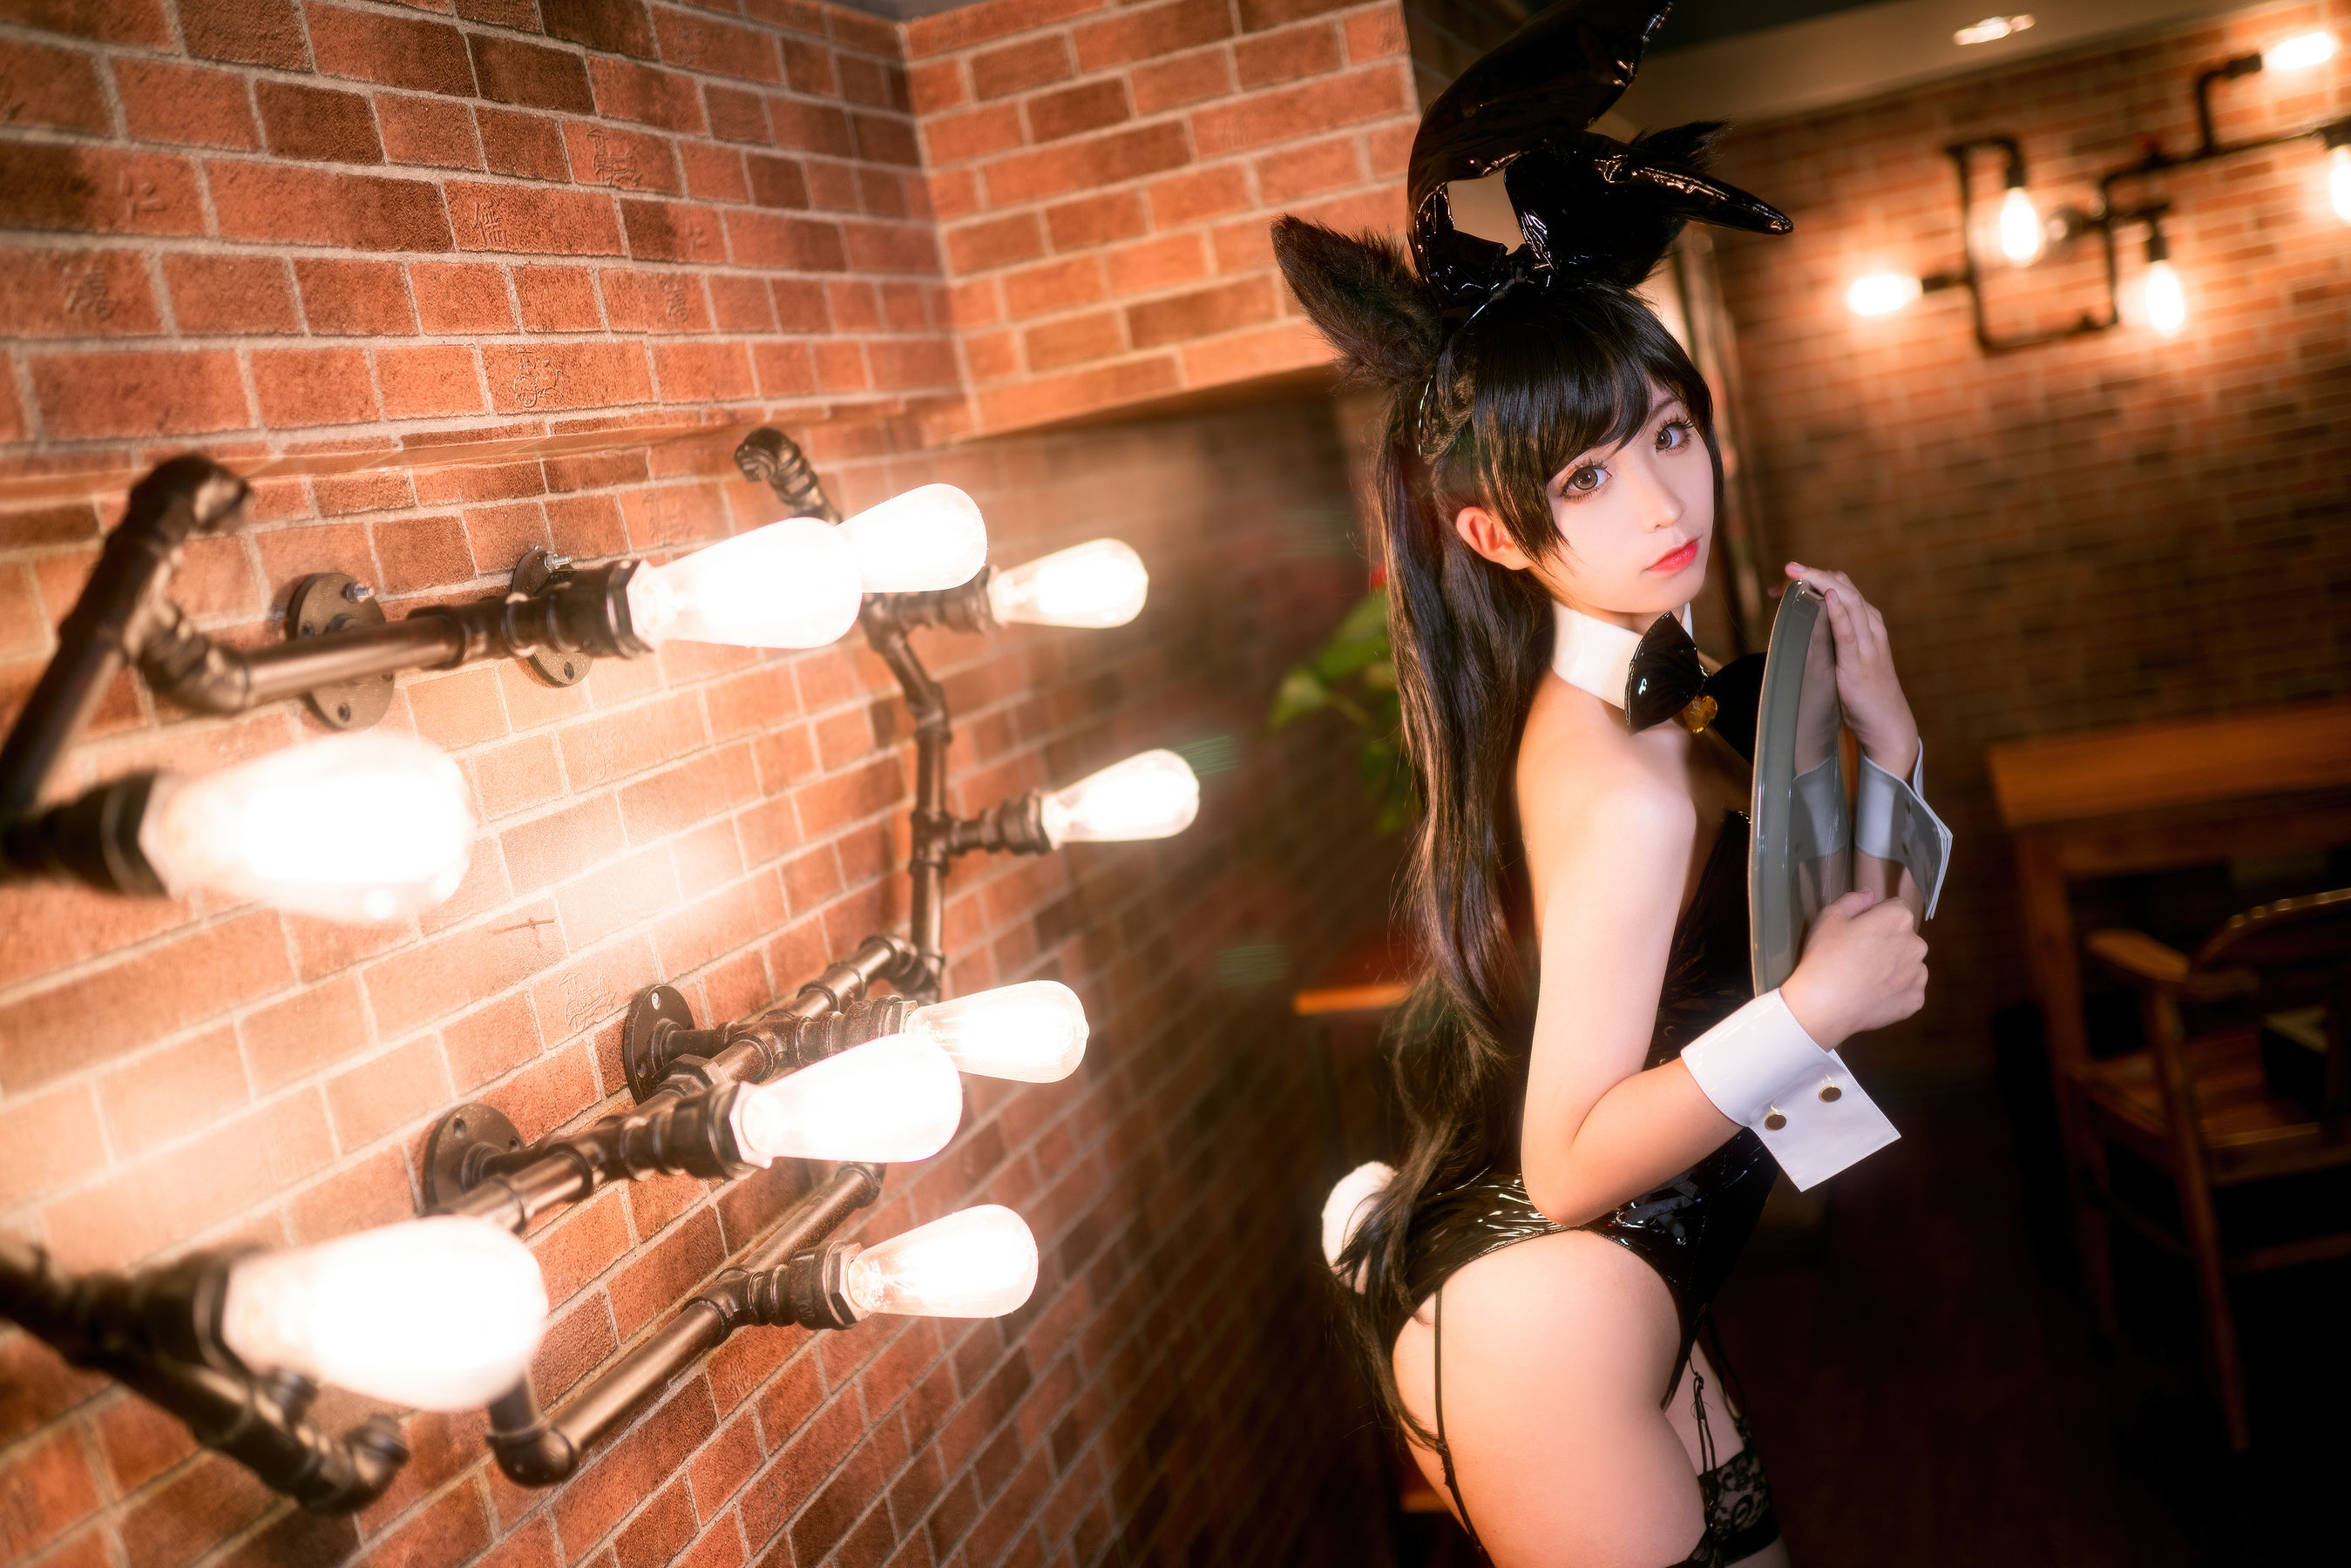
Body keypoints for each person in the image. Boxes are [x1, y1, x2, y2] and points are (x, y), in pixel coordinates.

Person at [1279, 4, 1948, 1565]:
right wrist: (1811, 1011)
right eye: (1583, 476)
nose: (1657, 501)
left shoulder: (1658, 706)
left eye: (1665, 432)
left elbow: (1844, 931)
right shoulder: (1622, 781)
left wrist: (1888, 736)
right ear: (1493, 536)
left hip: (1624, 1294)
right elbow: (1568, 1163)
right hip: (1548, 1321)